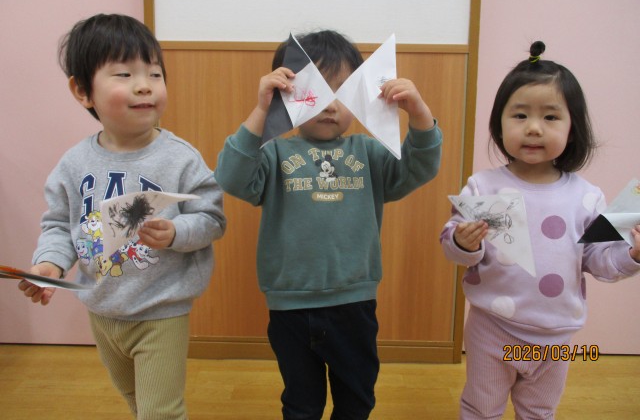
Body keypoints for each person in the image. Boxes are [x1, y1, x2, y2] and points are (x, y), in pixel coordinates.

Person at [215, 30, 443, 419]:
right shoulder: (273, 153)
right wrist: (261, 111)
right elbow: (232, 177)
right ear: (287, 96)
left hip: (354, 303)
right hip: (290, 306)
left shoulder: (370, 152)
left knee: (356, 399)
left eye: (342, 91)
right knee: (301, 404)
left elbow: (418, 168)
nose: (330, 105)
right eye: (315, 91)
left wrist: (419, 114)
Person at [19, 13, 227, 420]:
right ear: (83, 91)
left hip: (161, 310)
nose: (145, 85)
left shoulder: (180, 158)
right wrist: (50, 264)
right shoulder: (74, 163)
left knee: (160, 412)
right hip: (101, 309)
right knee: (135, 400)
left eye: (154, 73)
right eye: (124, 74)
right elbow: (59, 224)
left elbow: (212, 219)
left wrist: (176, 232)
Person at [440, 41, 640, 419]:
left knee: (539, 411)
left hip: (556, 335)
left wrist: (631, 255)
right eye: (519, 115)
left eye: (550, 117)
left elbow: (600, 261)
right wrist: (463, 243)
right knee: (481, 407)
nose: (533, 128)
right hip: (492, 327)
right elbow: (453, 244)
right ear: (499, 124)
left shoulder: (586, 197)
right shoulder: (483, 187)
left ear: (572, 128)